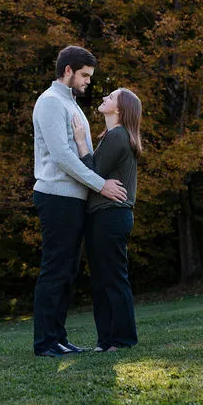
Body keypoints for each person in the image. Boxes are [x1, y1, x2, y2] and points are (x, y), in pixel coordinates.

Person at [32, 46, 128, 358]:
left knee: (67, 272)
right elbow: (62, 157)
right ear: (69, 70)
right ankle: (45, 342)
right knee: (55, 269)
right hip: (56, 197)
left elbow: (81, 154)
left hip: (73, 201)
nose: (88, 82)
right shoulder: (50, 102)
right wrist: (101, 185)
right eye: (85, 75)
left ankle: (58, 338)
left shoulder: (70, 104)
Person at [72, 87, 141, 352]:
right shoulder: (113, 136)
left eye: (110, 98)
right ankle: (107, 341)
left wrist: (80, 142)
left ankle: (121, 340)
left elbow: (92, 173)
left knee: (112, 279)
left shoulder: (119, 136)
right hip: (104, 216)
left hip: (111, 216)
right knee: (102, 281)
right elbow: (99, 176)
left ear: (120, 110)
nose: (104, 99)